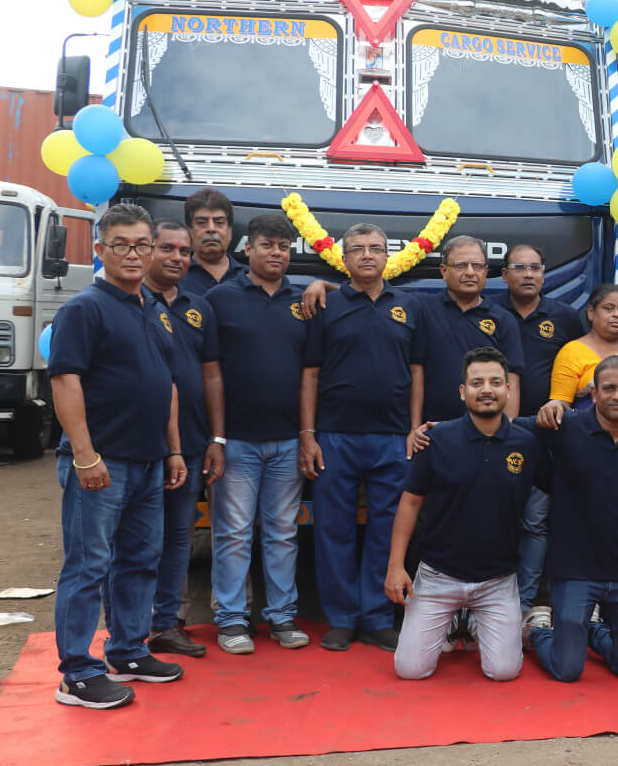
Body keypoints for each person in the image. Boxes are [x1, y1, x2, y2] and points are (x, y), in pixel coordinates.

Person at [49, 204, 188, 708]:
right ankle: (77, 674)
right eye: (121, 245)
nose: (133, 254)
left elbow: (166, 385)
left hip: (149, 462)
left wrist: (173, 450)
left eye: (141, 245)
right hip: (102, 463)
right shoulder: (84, 309)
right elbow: (65, 380)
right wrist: (85, 455)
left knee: (140, 561)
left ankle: (128, 651)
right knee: (88, 567)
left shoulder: (155, 310)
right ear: (100, 249)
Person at [299, 223, 426, 652]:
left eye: (375, 248)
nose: (367, 255)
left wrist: (413, 428)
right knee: (332, 529)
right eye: (357, 249)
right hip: (335, 437)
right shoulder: (326, 305)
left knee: (386, 530)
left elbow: (417, 372)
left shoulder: (409, 306)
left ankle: (377, 617)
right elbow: (310, 374)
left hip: (393, 437)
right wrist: (308, 434)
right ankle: (341, 618)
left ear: (388, 256)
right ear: (344, 258)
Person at [385, 348, 543, 681]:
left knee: (504, 672)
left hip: (497, 580)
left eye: (495, 382)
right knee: (410, 670)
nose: (486, 389)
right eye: (477, 382)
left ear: (508, 389)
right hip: (438, 575)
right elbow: (410, 503)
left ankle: (471, 620)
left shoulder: (528, 444)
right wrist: (396, 567)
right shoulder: (436, 439)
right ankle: (454, 618)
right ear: (462, 391)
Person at [205, 212, 312, 654]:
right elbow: (209, 372)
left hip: (288, 441)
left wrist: (306, 434)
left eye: (284, 247)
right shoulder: (219, 299)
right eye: (267, 245)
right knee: (233, 533)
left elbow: (310, 373)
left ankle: (282, 617)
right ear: (247, 249)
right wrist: (217, 438)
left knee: (283, 533)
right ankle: (232, 620)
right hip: (237, 441)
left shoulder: (303, 301)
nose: (276, 253)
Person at [521, 356, 618, 681]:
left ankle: (593, 631)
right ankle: (538, 631)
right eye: (609, 388)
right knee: (567, 670)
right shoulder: (564, 426)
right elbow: (502, 427)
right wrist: (436, 429)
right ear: (594, 393)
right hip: (575, 568)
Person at [139, 220, 221, 659]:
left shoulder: (199, 307)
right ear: (148, 250)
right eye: (166, 248)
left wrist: (216, 437)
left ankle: (168, 624)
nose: (177, 257)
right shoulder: (130, 301)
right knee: (136, 541)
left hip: (189, 445)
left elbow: (212, 376)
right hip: (136, 448)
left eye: (184, 251)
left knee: (177, 539)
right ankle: (130, 629)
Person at [493, 243, 585, 614]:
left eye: (535, 268)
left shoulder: (565, 317)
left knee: (535, 523)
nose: (529, 274)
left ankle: (523, 604)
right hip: (496, 433)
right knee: (495, 519)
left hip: (548, 436)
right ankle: (491, 605)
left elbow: (580, 367)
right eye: (520, 268)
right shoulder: (489, 312)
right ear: (504, 275)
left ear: (544, 275)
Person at [411, 235, 525, 424]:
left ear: (486, 272)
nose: (470, 272)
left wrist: (506, 431)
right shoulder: (422, 309)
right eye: (461, 266)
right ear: (444, 271)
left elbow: (511, 382)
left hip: (485, 431)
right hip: (431, 431)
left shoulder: (504, 320)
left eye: (477, 266)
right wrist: (415, 427)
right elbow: (416, 372)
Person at [549, 283, 618, 419]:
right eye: (608, 309)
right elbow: (560, 405)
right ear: (591, 312)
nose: (617, 314)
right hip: (587, 430)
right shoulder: (571, 352)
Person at [179, 188, 246, 296]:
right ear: (189, 230)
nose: (211, 229)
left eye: (219, 222)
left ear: (230, 230)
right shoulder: (175, 275)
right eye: (201, 222)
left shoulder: (249, 278)